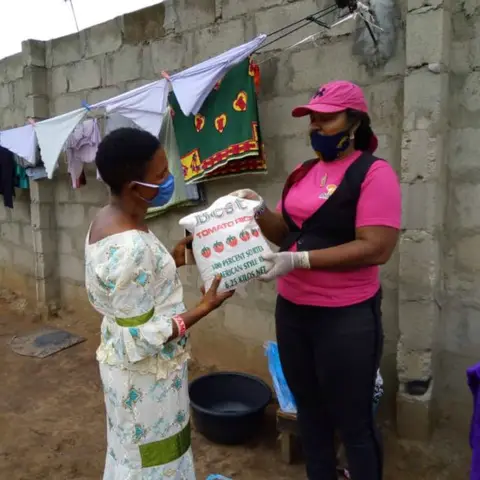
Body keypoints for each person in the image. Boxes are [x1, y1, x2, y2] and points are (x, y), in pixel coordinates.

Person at [233, 81, 401, 480]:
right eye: (312, 119)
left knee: (353, 421)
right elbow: (285, 232)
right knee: (309, 411)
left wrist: (300, 259)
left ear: (354, 121)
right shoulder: (302, 172)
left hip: (346, 319)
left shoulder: (374, 174)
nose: (316, 127)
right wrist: (256, 208)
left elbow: (377, 247)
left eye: (327, 118)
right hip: (293, 313)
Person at [85, 127, 233, 480]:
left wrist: (170, 259)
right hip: (146, 378)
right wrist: (204, 308)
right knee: (156, 459)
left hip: (127, 371)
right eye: (162, 174)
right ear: (136, 188)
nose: (170, 179)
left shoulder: (106, 220)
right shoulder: (131, 246)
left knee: (134, 454)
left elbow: (128, 291)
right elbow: (141, 336)